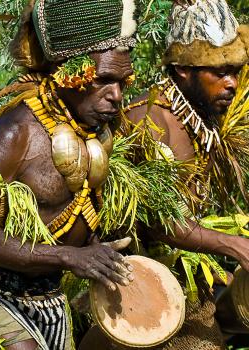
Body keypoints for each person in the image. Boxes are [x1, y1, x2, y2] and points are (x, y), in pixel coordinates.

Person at [0, 1, 138, 349]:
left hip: (51, 298)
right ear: (68, 73)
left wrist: (96, 251)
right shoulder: (17, 131)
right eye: (104, 80)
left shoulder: (99, 134)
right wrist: (68, 257)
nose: (117, 96)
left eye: (122, 82)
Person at [123, 0, 249, 347]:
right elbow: (162, 223)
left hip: (187, 277)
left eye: (236, 71)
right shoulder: (149, 122)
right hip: (137, 286)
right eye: (220, 72)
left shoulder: (200, 118)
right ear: (182, 69)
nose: (232, 84)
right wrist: (235, 245)